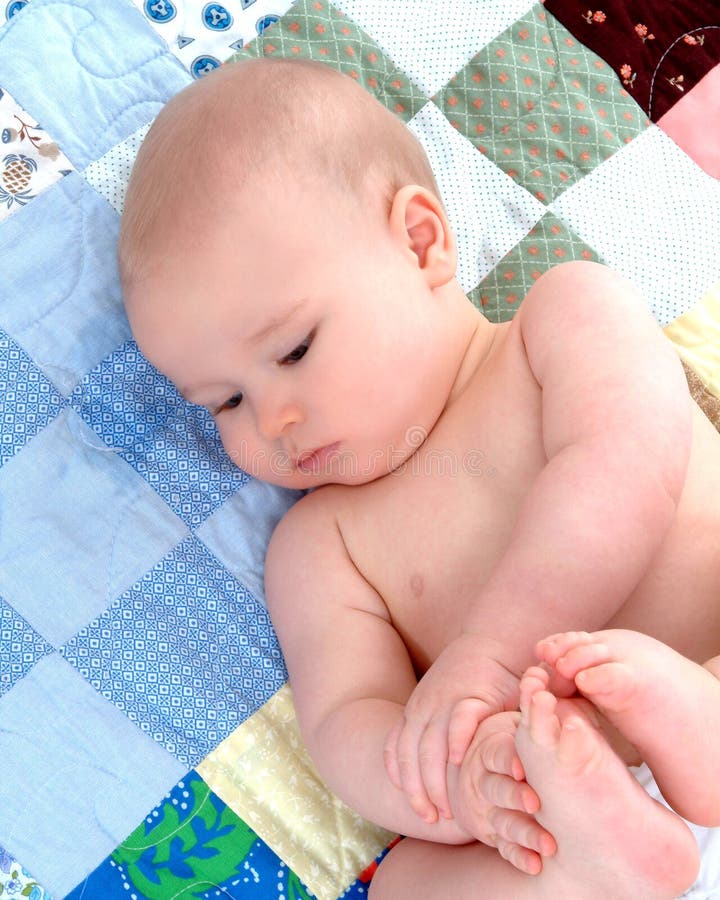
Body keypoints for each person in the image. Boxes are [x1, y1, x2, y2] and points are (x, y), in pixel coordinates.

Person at [118, 57, 720, 897]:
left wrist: (491, 654)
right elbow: (349, 723)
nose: (272, 420)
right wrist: (460, 795)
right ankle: (606, 861)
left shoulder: (563, 318)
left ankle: (694, 735)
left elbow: (626, 468)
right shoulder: (319, 545)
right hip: (551, 807)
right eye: (223, 402)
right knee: (404, 881)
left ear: (419, 242)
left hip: (704, 650)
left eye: (293, 350)